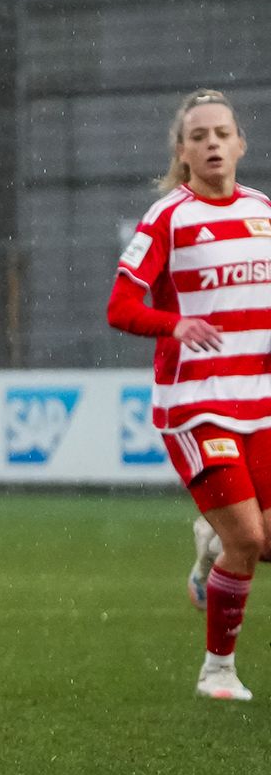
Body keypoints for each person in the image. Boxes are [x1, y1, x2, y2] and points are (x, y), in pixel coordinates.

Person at [110, 88, 270, 703]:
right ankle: (217, 671)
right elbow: (120, 307)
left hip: (259, 402)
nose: (211, 144)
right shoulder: (167, 219)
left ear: (239, 145)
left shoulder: (263, 211)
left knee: (261, 543)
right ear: (181, 152)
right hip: (197, 405)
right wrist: (172, 323)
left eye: (221, 133)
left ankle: (209, 551)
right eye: (199, 135)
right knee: (248, 541)